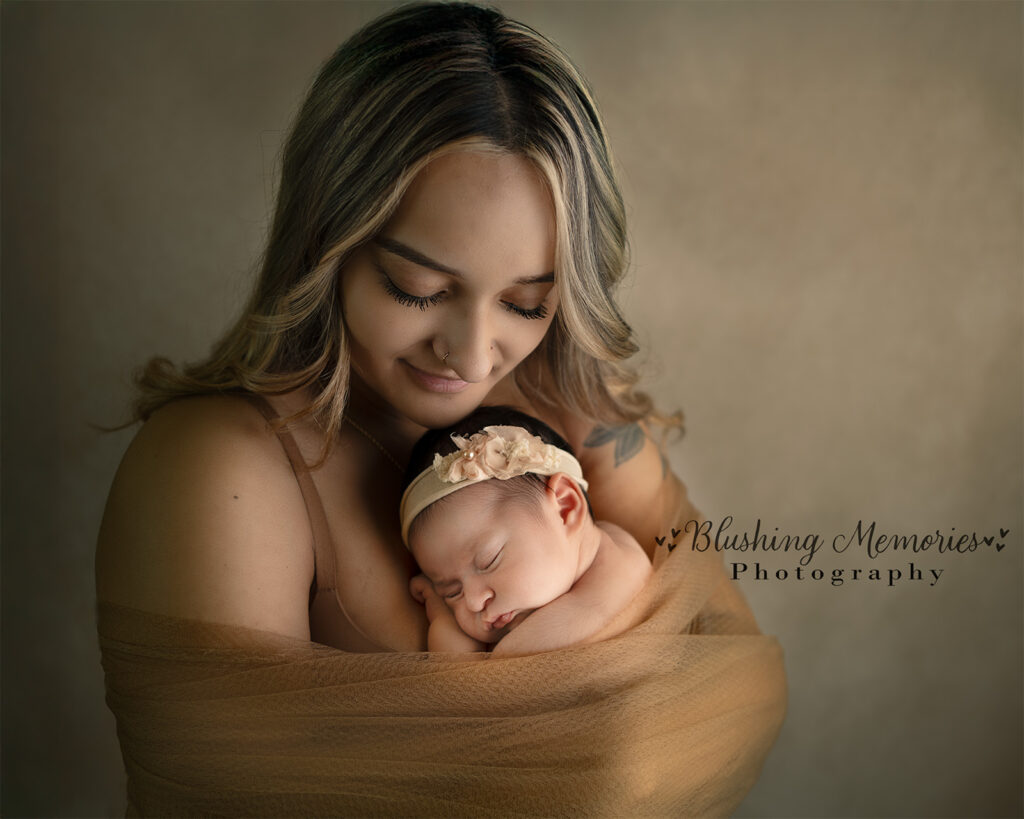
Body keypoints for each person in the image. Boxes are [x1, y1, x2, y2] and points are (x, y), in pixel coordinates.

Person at [96, 3, 786, 814]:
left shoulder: (568, 411)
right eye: (419, 289)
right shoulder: (222, 465)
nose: (470, 355)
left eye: (528, 303)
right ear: (327, 243)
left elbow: (742, 678)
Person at [401, 407, 652, 655]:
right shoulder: (595, 546)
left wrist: (442, 617)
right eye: (451, 592)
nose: (474, 602)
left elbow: (471, 683)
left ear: (565, 507)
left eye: (490, 560)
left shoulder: (613, 586)